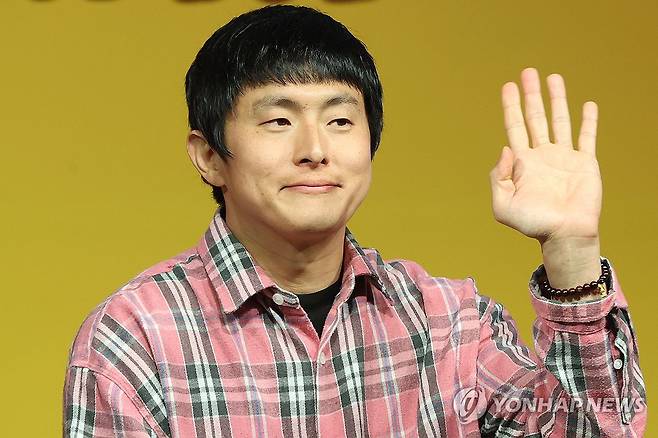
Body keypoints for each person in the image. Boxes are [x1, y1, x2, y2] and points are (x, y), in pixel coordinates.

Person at [63, 4, 646, 437]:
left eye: (340, 120)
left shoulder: (453, 325)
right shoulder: (136, 340)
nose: (315, 150)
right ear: (210, 156)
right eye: (278, 121)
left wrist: (572, 251)